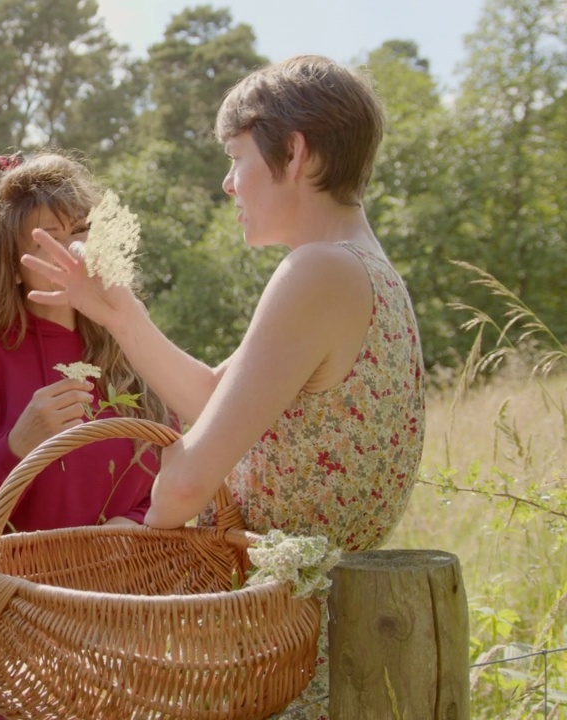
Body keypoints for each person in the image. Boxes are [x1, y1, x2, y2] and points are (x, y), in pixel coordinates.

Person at [22, 55, 426, 718]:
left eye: (237, 158)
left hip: (274, 651)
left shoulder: (317, 273)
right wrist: (118, 314)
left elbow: (185, 482)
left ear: (293, 153)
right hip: (303, 633)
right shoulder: (364, 272)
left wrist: (123, 580)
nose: (228, 183)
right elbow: (217, 400)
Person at [0, 149, 172, 719]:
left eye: (82, 230)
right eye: (49, 240)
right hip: (12, 636)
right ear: (11, 265)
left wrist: (128, 530)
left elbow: (172, 468)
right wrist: (17, 444)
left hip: (117, 629)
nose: (75, 252)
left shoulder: (126, 338)